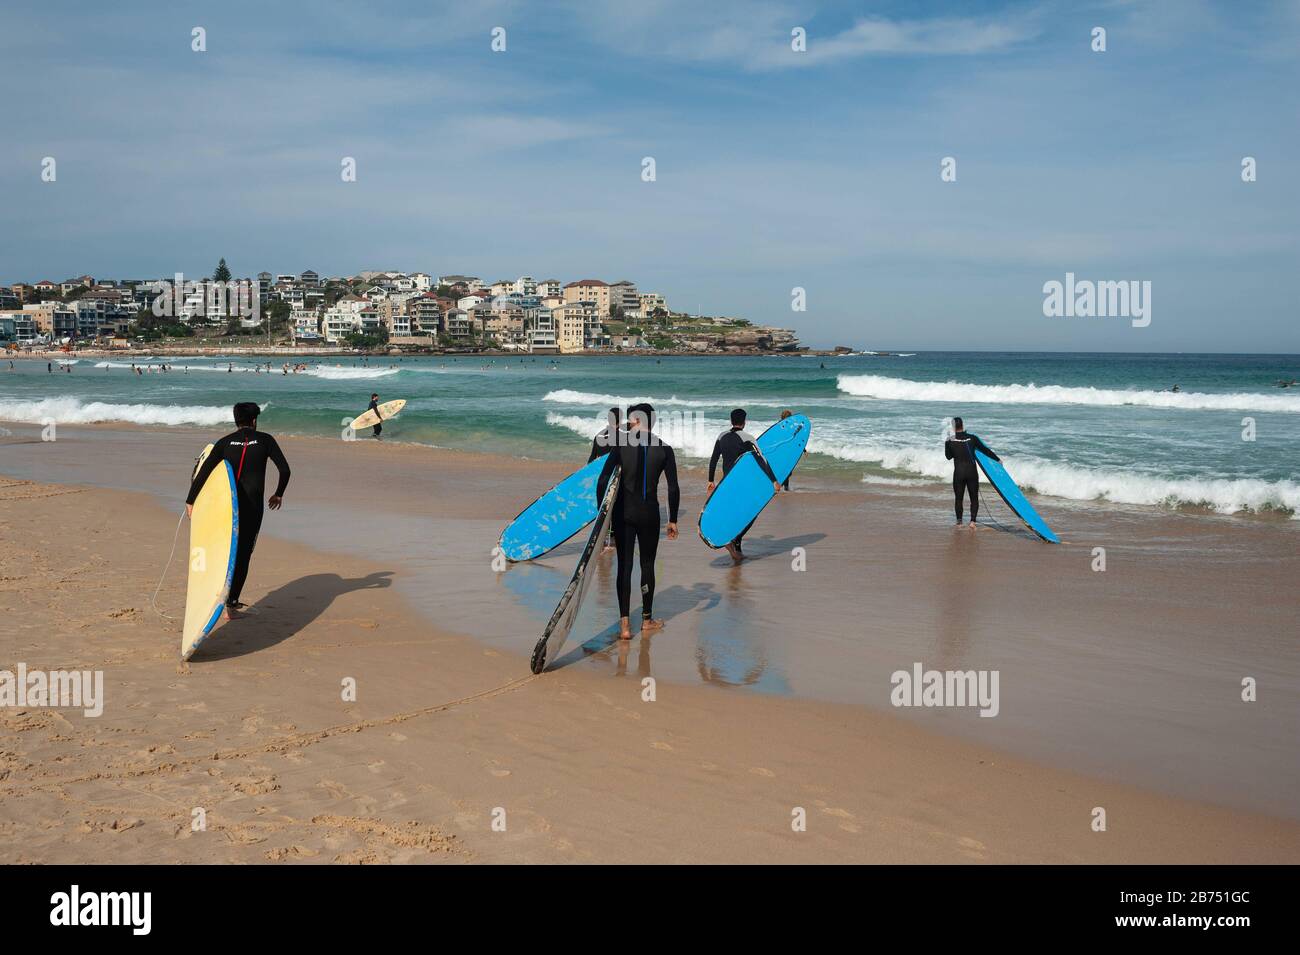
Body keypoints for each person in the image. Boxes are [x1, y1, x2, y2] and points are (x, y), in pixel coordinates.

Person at [186, 402, 290, 618]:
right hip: (252, 508)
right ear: (254, 420)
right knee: (243, 555)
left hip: (226, 507)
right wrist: (278, 493)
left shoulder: (223, 443)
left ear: (236, 420)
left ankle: (213, 589)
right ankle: (230, 605)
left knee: (223, 549)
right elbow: (285, 469)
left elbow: (203, 472)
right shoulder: (265, 440)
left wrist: (191, 501)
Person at [596, 403, 680, 640]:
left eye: (631, 420)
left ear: (637, 420)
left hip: (624, 514)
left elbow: (602, 481)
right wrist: (672, 519)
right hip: (650, 515)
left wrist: (602, 517)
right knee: (646, 564)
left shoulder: (621, 446)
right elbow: (673, 488)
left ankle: (624, 626)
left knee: (624, 566)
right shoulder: (665, 449)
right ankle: (646, 620)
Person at [707, 408, 780, 562]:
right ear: (744, 422)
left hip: (726, 483)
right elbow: (761, 460)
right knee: (751, 513)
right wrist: (773, 480)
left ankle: (736, 549)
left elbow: (713, 459)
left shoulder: (722, 436)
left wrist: (710, 480)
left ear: (731, 421)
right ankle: (734, 539)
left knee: (733, 512)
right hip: (741, 483)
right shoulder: (748, 438)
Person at [944, 416, 998, 529]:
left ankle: (959, 522)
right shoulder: (972, 438)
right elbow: (985, 450)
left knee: (959, 498)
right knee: (974, 498)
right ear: (963, 425)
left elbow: (948, 457)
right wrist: (997, 459)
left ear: (953, 427)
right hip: (971, 473)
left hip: (959, 473)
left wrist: (947, 443)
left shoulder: (950, 441)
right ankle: (972, 522)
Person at [778, 409, 794, 490]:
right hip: (781, 451)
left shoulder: (790, 427)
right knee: (785, 469)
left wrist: (803, 449)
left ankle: (784, 485)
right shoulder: (779, 426)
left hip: (788, 451)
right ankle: (785, 487)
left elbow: (795, 438)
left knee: (788, 470)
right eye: (789, 417)